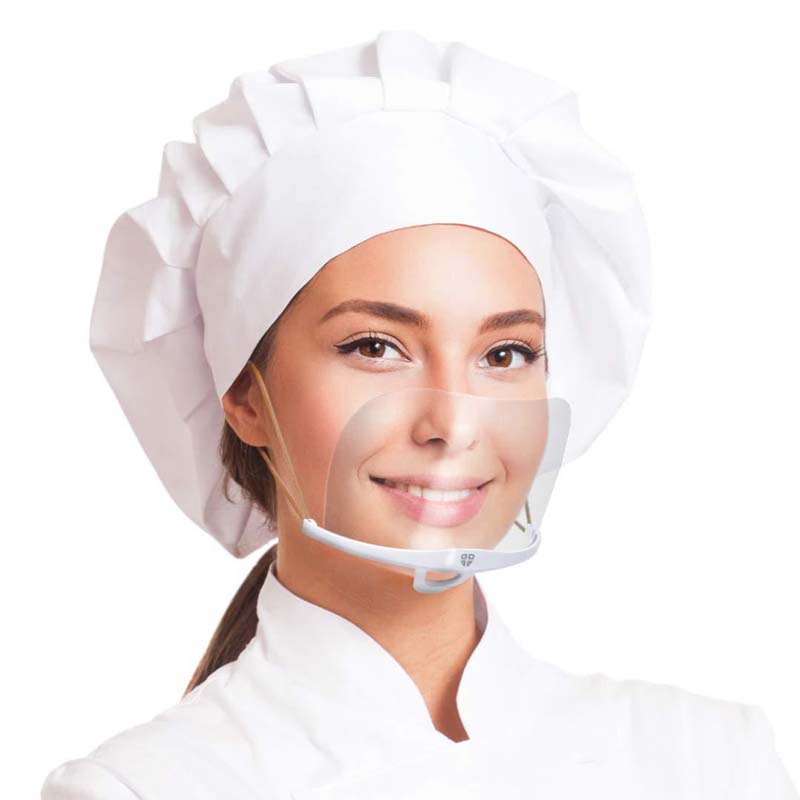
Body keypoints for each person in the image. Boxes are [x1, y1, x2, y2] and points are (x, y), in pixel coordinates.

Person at [41, 30, 797, 799]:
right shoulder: (143, 789)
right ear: (243, 394)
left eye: (504, 353)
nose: (453, 424)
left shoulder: (708, 762)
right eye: (375, 347)